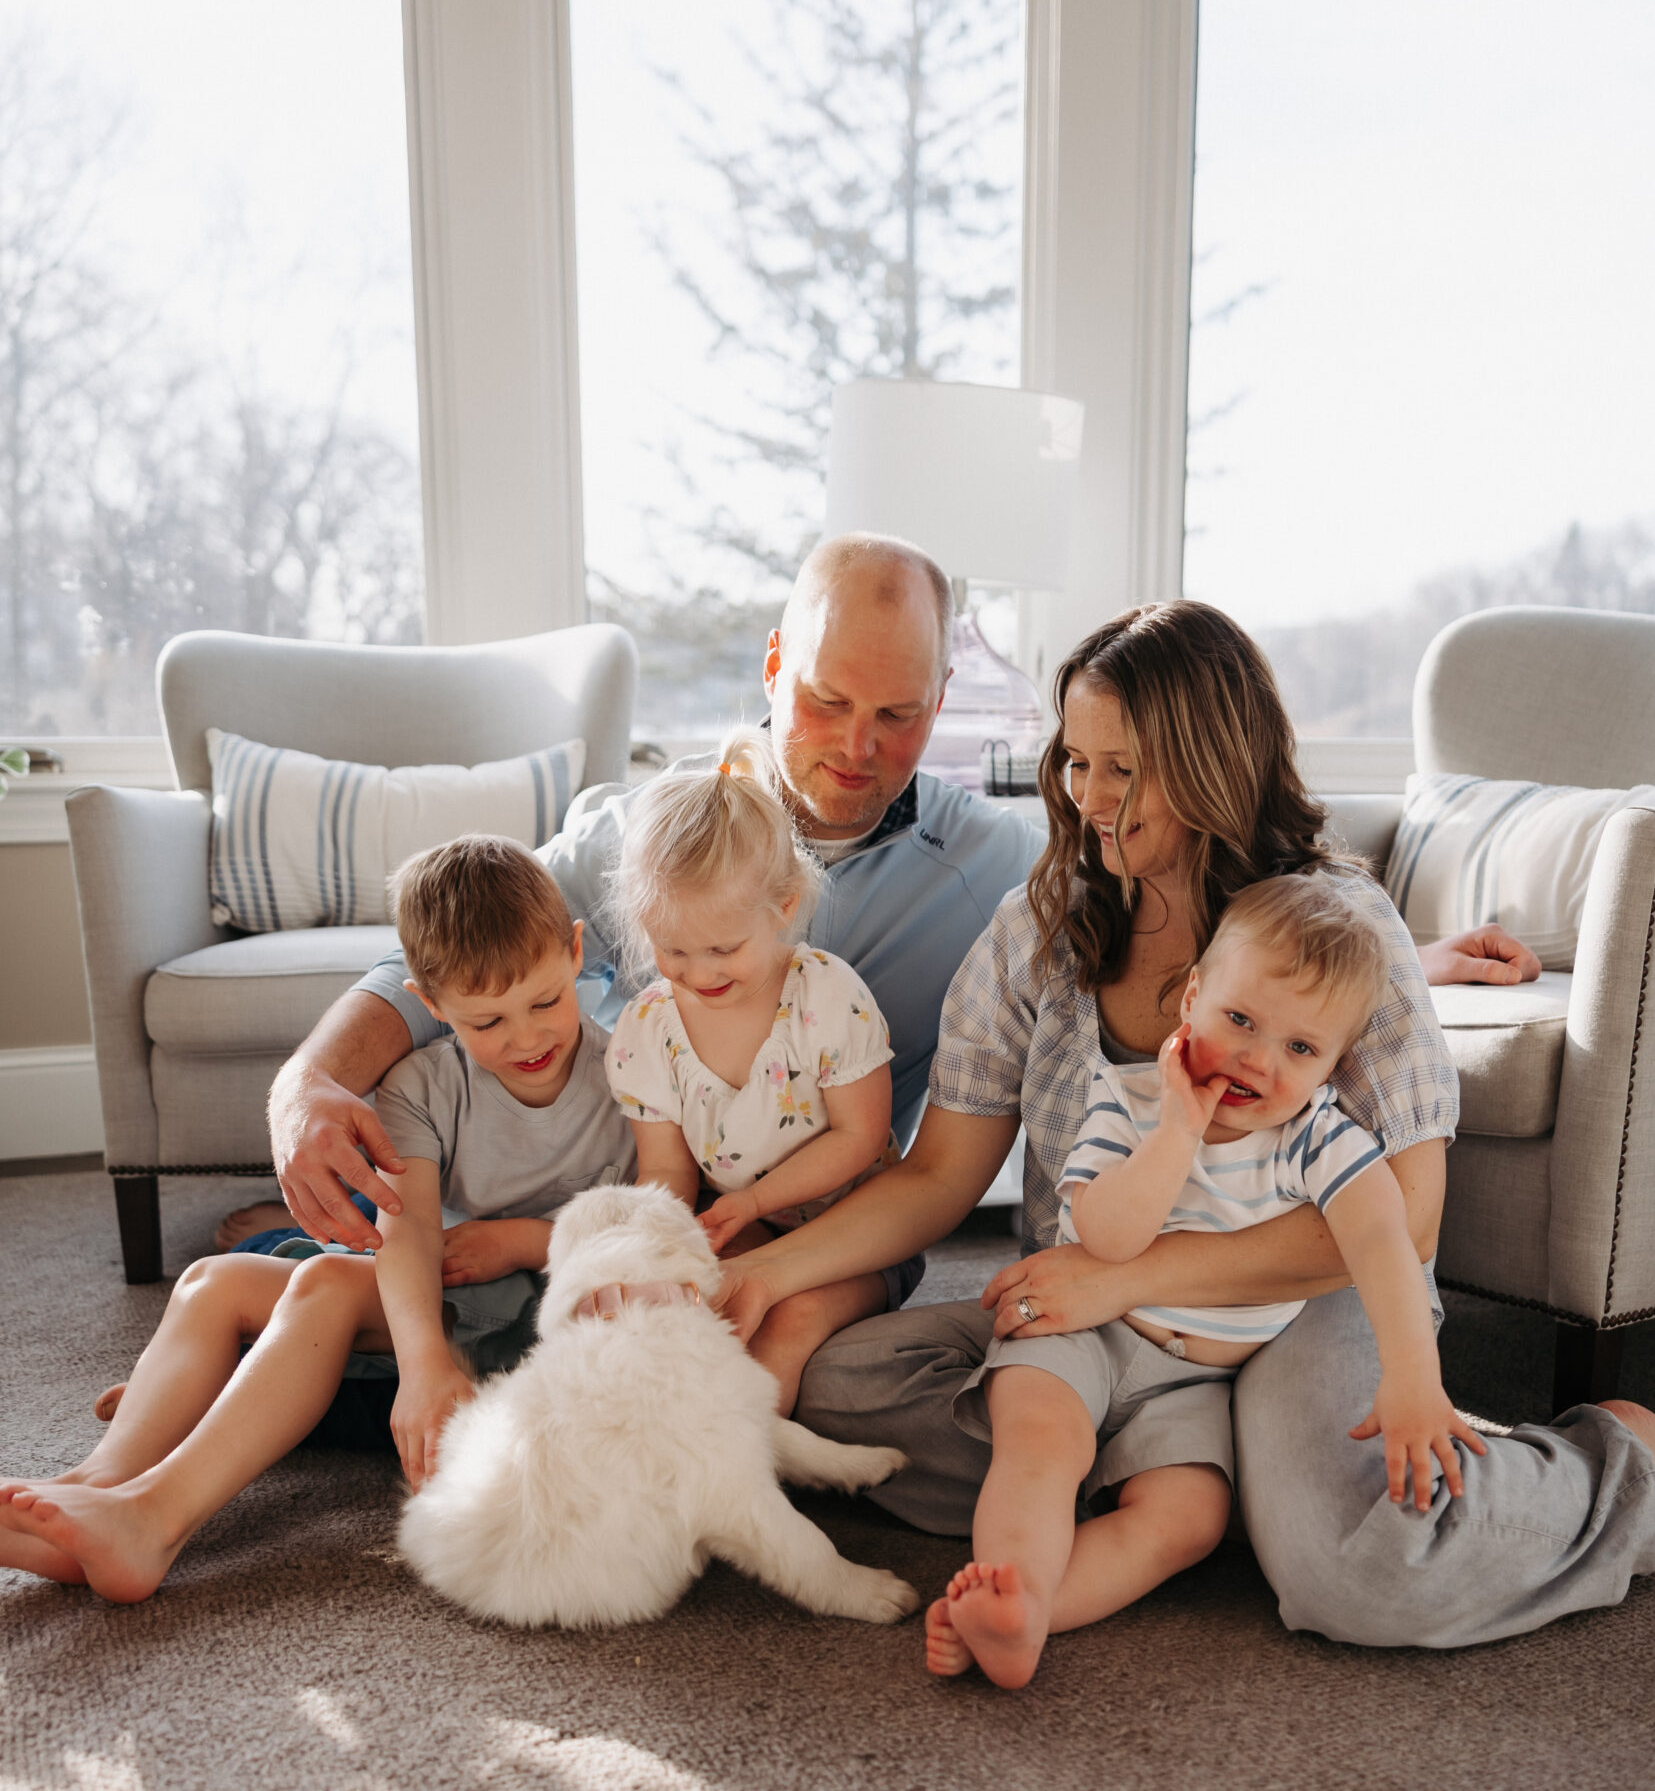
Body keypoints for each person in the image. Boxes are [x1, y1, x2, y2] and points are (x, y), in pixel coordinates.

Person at [719, 600, 1655, 1652]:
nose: (1090, 799)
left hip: (1303, 1298)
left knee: (1363, 1576)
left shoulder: (1337, 924)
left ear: (1207, 761)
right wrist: (769, 1277)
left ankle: (1624, 1459)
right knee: (828, 1388)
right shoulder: (1041, 927)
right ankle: (1212, 1486)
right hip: (1104, 1317)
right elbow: (940, 1177)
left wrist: (1132, 1276)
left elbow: (1406, 1223)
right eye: (1077, 762)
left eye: (1123, 770)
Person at [254, 536, 1049, 1302]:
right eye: (826, 699)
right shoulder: (650, 831)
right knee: (380, 1307)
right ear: (773, 666)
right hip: (630, 1182)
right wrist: (306, 1084)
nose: (855, 744)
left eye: (899, 714)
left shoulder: (993, 864)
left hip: (822, 1225)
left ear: (941, 698)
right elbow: (445, 961)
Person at [0, 839, 634, 1600]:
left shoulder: (628, 1072)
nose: (526, 1037)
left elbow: (657, 1222)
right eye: (488, 1021)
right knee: (211, 1282)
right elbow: (406, 1225)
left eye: (543, 1002)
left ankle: (150, 1521)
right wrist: (423, 1357)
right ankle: (96, 1484)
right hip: (438, 1284)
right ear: (428, 1005)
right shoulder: (418, 1084)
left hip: (541, 1307)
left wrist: (528, 1241)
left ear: (573, 954)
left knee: (327, 1281)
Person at [925, 874, 1486, 1687]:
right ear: (1192, 998)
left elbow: (1381, 1237)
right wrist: (1178, 1131)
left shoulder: (1315, 1137)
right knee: (1041, 1444)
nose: (1260, 1061)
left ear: (1334, 1062)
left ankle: (1023, 1619)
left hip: (1196, 1384)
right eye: (1240, 1021)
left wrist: (1411, 1377)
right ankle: (1014, 1580)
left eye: (1300, 1049)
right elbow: (1109, 1236)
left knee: (1186, 1521)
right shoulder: (1128, 1100)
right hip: (1087, 1333)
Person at [606, 732, 899, 1415]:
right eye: (672, 949)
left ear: (786, 905)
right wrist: (659, 1253)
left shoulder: (826, 996)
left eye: (723, 948)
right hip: (742, 1223)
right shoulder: (648, 1028)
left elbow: (860, 1137)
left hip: (858, 1229)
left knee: (788, 1321)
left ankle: (750, 1486)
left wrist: (755, 1203)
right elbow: (667, 1174)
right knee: (692, 1320)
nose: (699, 972)